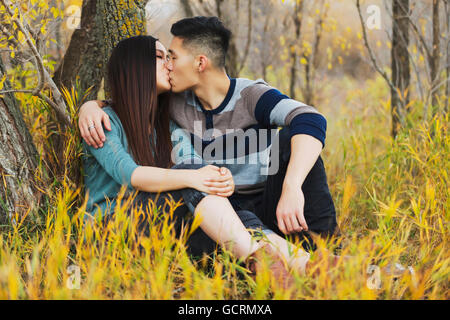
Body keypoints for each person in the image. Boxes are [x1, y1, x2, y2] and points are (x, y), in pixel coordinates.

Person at [80, 16, 339, 253]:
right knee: (193, 196)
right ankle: (274, 260)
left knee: (293, 142)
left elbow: (310, 119)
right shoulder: (173, 104)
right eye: (163, 57)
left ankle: (322, 251)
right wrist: (90, 106)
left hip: (262, 203)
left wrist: (291, 187)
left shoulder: (249, 96)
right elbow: (131, 106)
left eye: (173, 57)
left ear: (200, 62)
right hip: (213, 209)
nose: (169, 65)